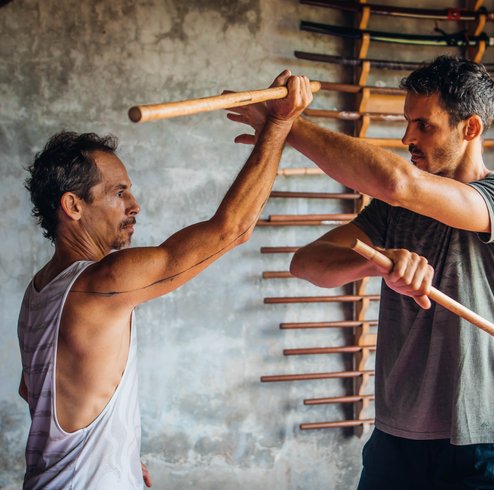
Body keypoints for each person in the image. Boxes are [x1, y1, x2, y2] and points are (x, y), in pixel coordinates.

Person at [229, 56, 494, 489]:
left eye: (424, 126)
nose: (406, 137)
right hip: (396, 438)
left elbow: (399, 182)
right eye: (407, 122)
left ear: (470, 128)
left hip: (481, 442)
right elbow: (306, 264)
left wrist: (285, 125)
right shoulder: (394, 213)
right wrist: (377, 260)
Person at [17, 71, 312, 489]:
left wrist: (117, 459)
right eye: (119, 193)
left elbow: (34, 391)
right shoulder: (97, 284)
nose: (135, 204)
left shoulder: (39, 290)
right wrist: (279, 125)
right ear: (73, 205)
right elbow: (232, 230)